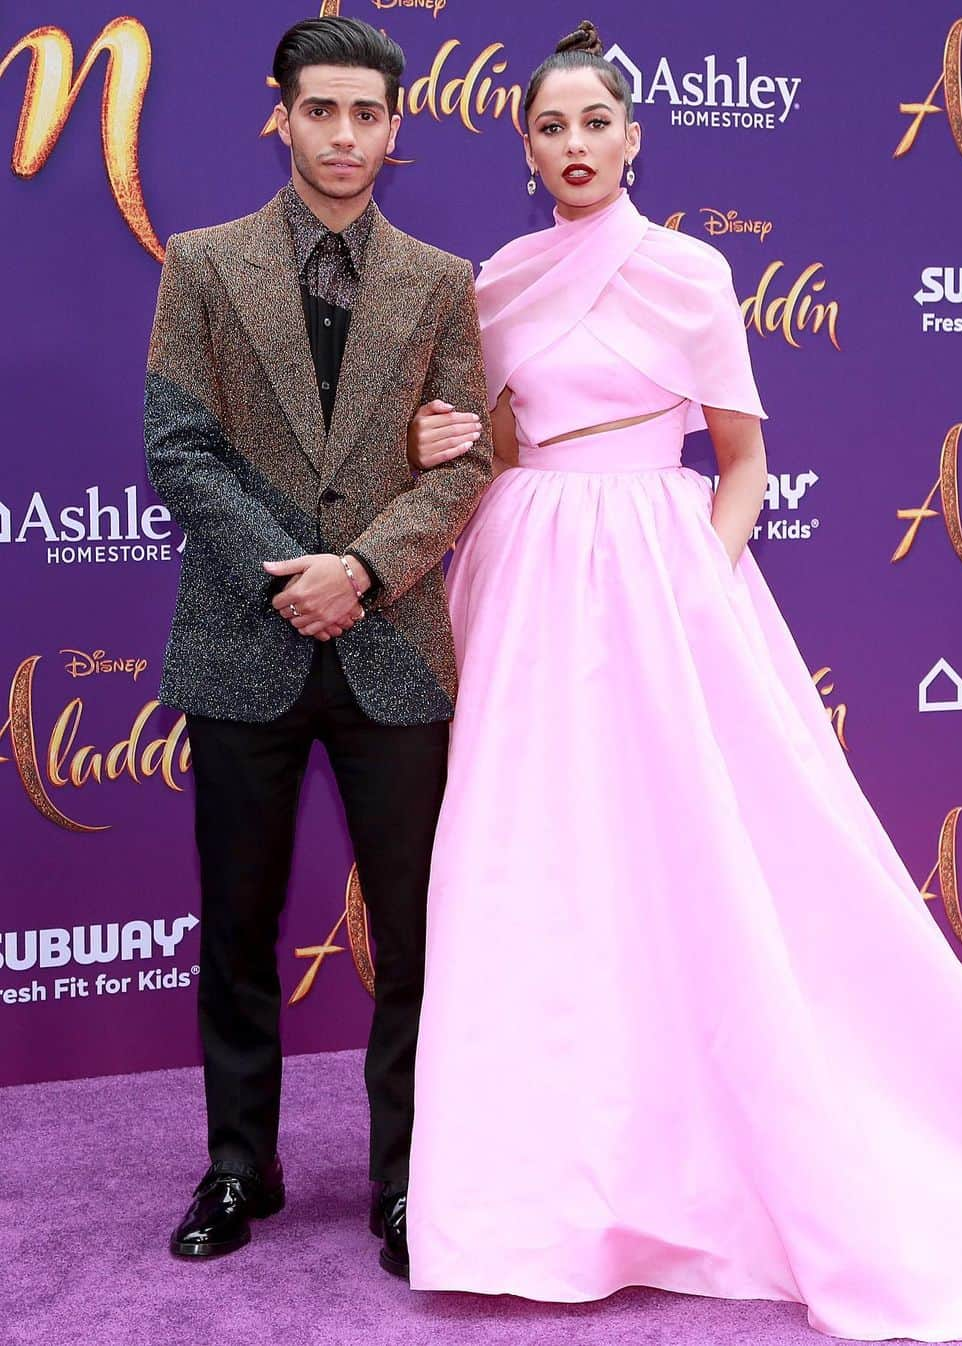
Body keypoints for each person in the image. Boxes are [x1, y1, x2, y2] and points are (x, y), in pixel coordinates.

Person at [405, 20, 962, 1341]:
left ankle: (699, 1148)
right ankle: (531, 1194)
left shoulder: (693, 273)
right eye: (551, 127)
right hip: (529, 576)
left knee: (691, 855)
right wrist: (441, 441)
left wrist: (702, 584)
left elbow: (745, 460)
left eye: (596, 123)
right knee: (533, 865)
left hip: (663, 579)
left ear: (635, 135)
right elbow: (484, 447)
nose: (576, 146)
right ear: (524, 146)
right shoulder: (495, 281)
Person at [144, 15, 490, 1272]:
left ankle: (411, 1178)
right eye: (322, 110)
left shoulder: (443, 280)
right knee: (234, 922)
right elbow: (180, 443)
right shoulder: (202, 261)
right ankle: (241, 1165)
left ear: (396, 129)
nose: (345, 135)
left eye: (368, 115)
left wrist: (366, 569)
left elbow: (469, 461)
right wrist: (288, 577)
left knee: (415, 929)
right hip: (245, 636)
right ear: (279, 114)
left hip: (394, 645)